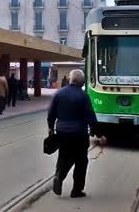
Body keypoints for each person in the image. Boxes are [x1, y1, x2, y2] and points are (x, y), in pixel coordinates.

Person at [47, 69, 105, 198]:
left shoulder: (59, 93)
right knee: (81, 161)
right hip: (79, 133)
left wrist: (50, 127)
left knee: (63, 156)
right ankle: (76, 190)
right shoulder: (83, 95)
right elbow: (91, 115)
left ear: (70, 79)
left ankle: (59, 176)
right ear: (82, 82)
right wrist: (99, 134)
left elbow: (51, 113)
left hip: (62, 131)